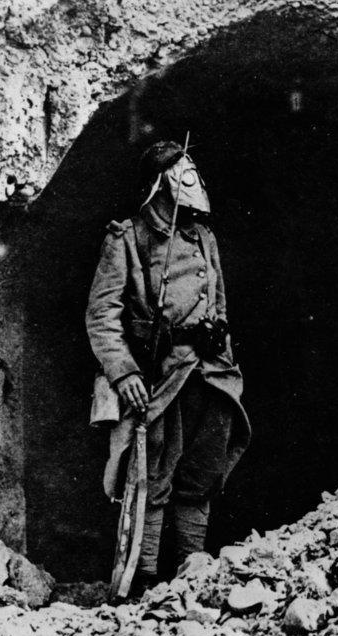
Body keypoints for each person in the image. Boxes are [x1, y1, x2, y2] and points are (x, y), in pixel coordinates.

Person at [85, 140, 251, 594]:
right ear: (161, 181)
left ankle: (191, 578)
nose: (193, 179)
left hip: (210, 374)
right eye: (183, 170)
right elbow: (102, 316)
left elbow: (219, 307)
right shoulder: (128, 237)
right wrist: (124, 373)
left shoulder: (203, 236)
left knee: (201, 475)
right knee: (151, 479)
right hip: (160, 378)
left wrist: (223, 356)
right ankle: (147, 585)